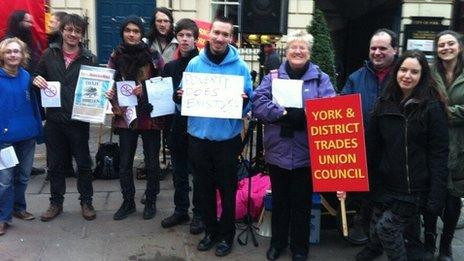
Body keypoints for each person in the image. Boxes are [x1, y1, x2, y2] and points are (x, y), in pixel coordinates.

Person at [356, 50, 449, 261]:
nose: (407, 76)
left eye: (414, 72)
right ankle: (376, 251)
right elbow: (372, 146)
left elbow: (439, 154)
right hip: (386, 184)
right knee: (376, 227)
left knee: (387, 229)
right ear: (396, 72)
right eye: (403, 70)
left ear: (422, 76)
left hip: (414, 188)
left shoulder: (432, 107)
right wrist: (366, 182)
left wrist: (436, 194)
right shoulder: (383, 103)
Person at [252, 30, 336, 261]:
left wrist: (306, 115)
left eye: (303, 48)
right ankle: (277, 244)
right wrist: (284, 114)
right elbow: (258, 102)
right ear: (286, 51)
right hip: (278, 151)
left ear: (309, 52)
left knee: (302, 203)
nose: (298, 51)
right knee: (280, 201)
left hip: (307, 153)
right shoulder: (273, 77)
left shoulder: (321, 78)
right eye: (293, 48)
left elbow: (329, 108)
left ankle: (300, 247)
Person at [180, 16, 253, 257]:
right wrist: (180, 95)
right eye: (217, 33)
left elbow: (249, 101)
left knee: (227, 189)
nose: (220, 38)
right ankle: (210, 232)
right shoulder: (194, 65)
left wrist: (244, 101)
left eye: (225, 34)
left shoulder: (240, 67)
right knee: (203, 188)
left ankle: (226, 234)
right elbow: (182, 95)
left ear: (231, 38)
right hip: (199, 138)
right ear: (208, 34)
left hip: (227, 140)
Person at [33, 14, 97, 222]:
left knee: (84, 164)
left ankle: (86, 202)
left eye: (77, 31)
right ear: (62, 31)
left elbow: (96, 88)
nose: (73, 34)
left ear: (81, 35)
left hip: (79, 120)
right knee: (55, 164)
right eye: (69, 29)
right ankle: (56, 203)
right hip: (54, 120)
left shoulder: (89, 58)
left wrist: (105, 94)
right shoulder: (48, 55)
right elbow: (36, 76)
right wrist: (36, 79)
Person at [340, 28, 398, 244]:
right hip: (363, 147)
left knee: (393, 196)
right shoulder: (356, 77)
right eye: (373, 48)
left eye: (383, 48)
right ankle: (365, 231)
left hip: (395, 149)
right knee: (366, 193)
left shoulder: (404, 75)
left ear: (394, 49)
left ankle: (391, 236)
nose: (377, 52)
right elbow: (342, 108)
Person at [106, 16, 166, 221]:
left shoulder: (152, 54)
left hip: (149, 116)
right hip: (126, 116)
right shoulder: (116, 54)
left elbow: (164, 81)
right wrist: (111, 100)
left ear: (141, 34)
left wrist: (147, 88)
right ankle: (128, 202)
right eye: (128, 30)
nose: (132, 34)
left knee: (151, 163)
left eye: (136, 31)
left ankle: (150, 201)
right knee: (124, 163)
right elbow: (108, 82)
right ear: (123, 33)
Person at [159, 18, 204, 234]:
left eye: (189, 35)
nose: (185, 39)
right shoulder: (170, 67)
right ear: (176, 38)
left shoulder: (204, 64)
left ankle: (199, 214)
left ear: (196, 39)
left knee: (199, 174)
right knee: (179, 173)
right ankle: (180, 210)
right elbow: (163, 97)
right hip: (177, 127)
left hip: (198, 128)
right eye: (181, 35)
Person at [422, 30, 464, 261]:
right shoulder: (429, 73)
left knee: (453, 198)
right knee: (432, 195)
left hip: (460, 146)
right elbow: (424, 102)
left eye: (450, 44)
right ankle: (429, 243)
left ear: (459, 46)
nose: (446, 48)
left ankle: (446, 245)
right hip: (433, 144)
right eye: (441, 45)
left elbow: (436, 108)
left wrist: (443, 112)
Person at [0, 37, 43, 235]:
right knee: (5, 180)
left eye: (16, 51)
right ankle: (3, 217)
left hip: (27, 135)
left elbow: (34, 105)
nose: (13, 55)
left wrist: (38, 130)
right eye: (8, 51)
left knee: (24, 177)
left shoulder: (27, 77)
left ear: (23, 54)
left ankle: (19, 208)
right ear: (2, 55)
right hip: (5, 139)